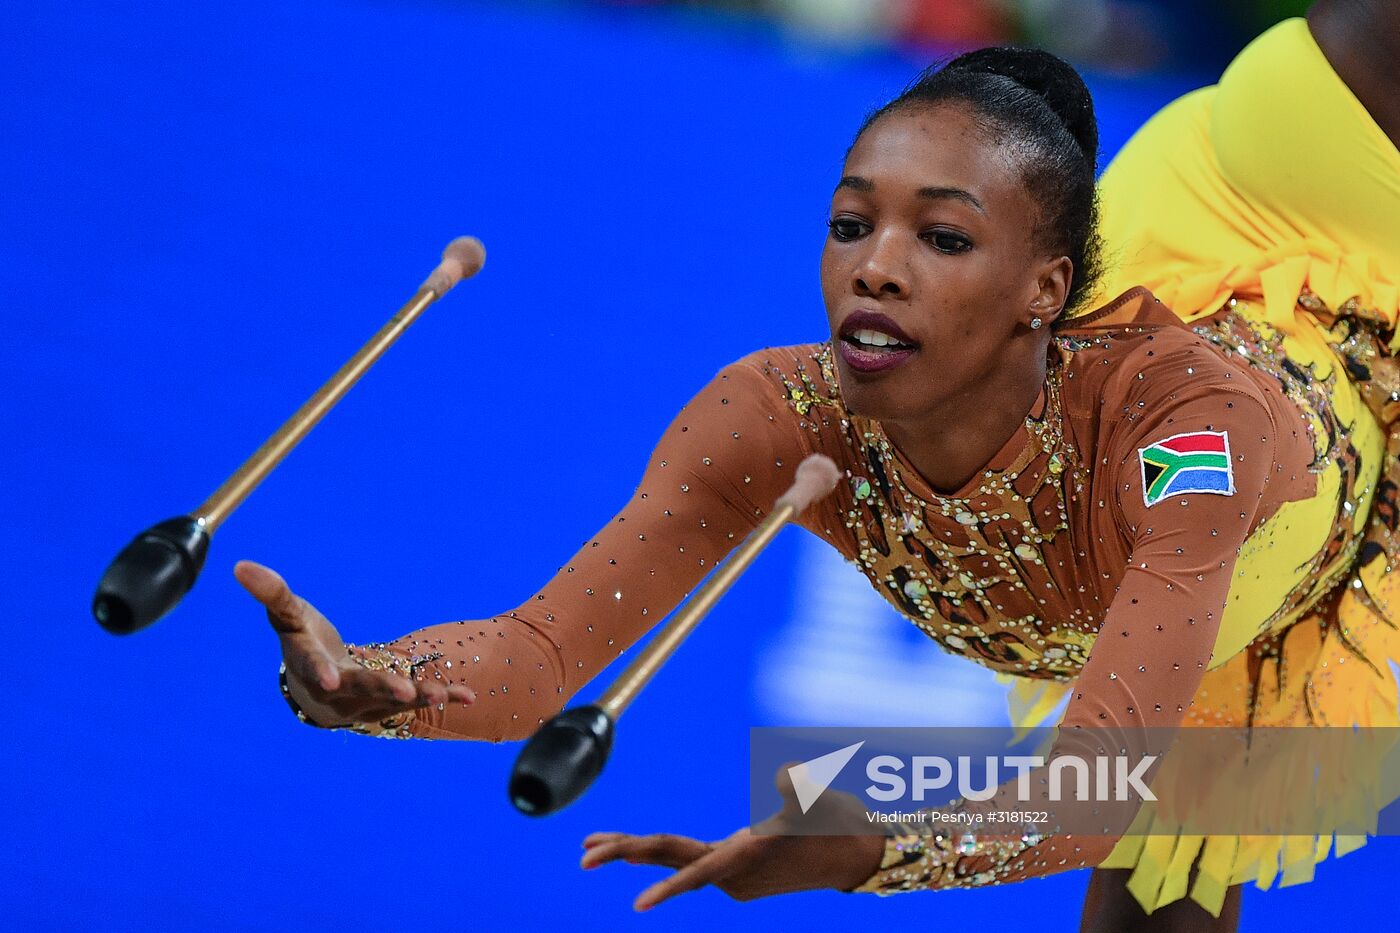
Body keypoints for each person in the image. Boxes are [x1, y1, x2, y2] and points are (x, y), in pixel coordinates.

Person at [233, 2, 1400, 929]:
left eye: (940, 239)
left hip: (1337, 180)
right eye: (852, 224)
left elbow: (1095, 786)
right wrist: (373, 686)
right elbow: (539, 659)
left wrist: (871, 850)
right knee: (1186, 843)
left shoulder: (1182, 440)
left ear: (1045, 291)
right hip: (1218, 184)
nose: (877, 269)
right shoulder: (776, 417)